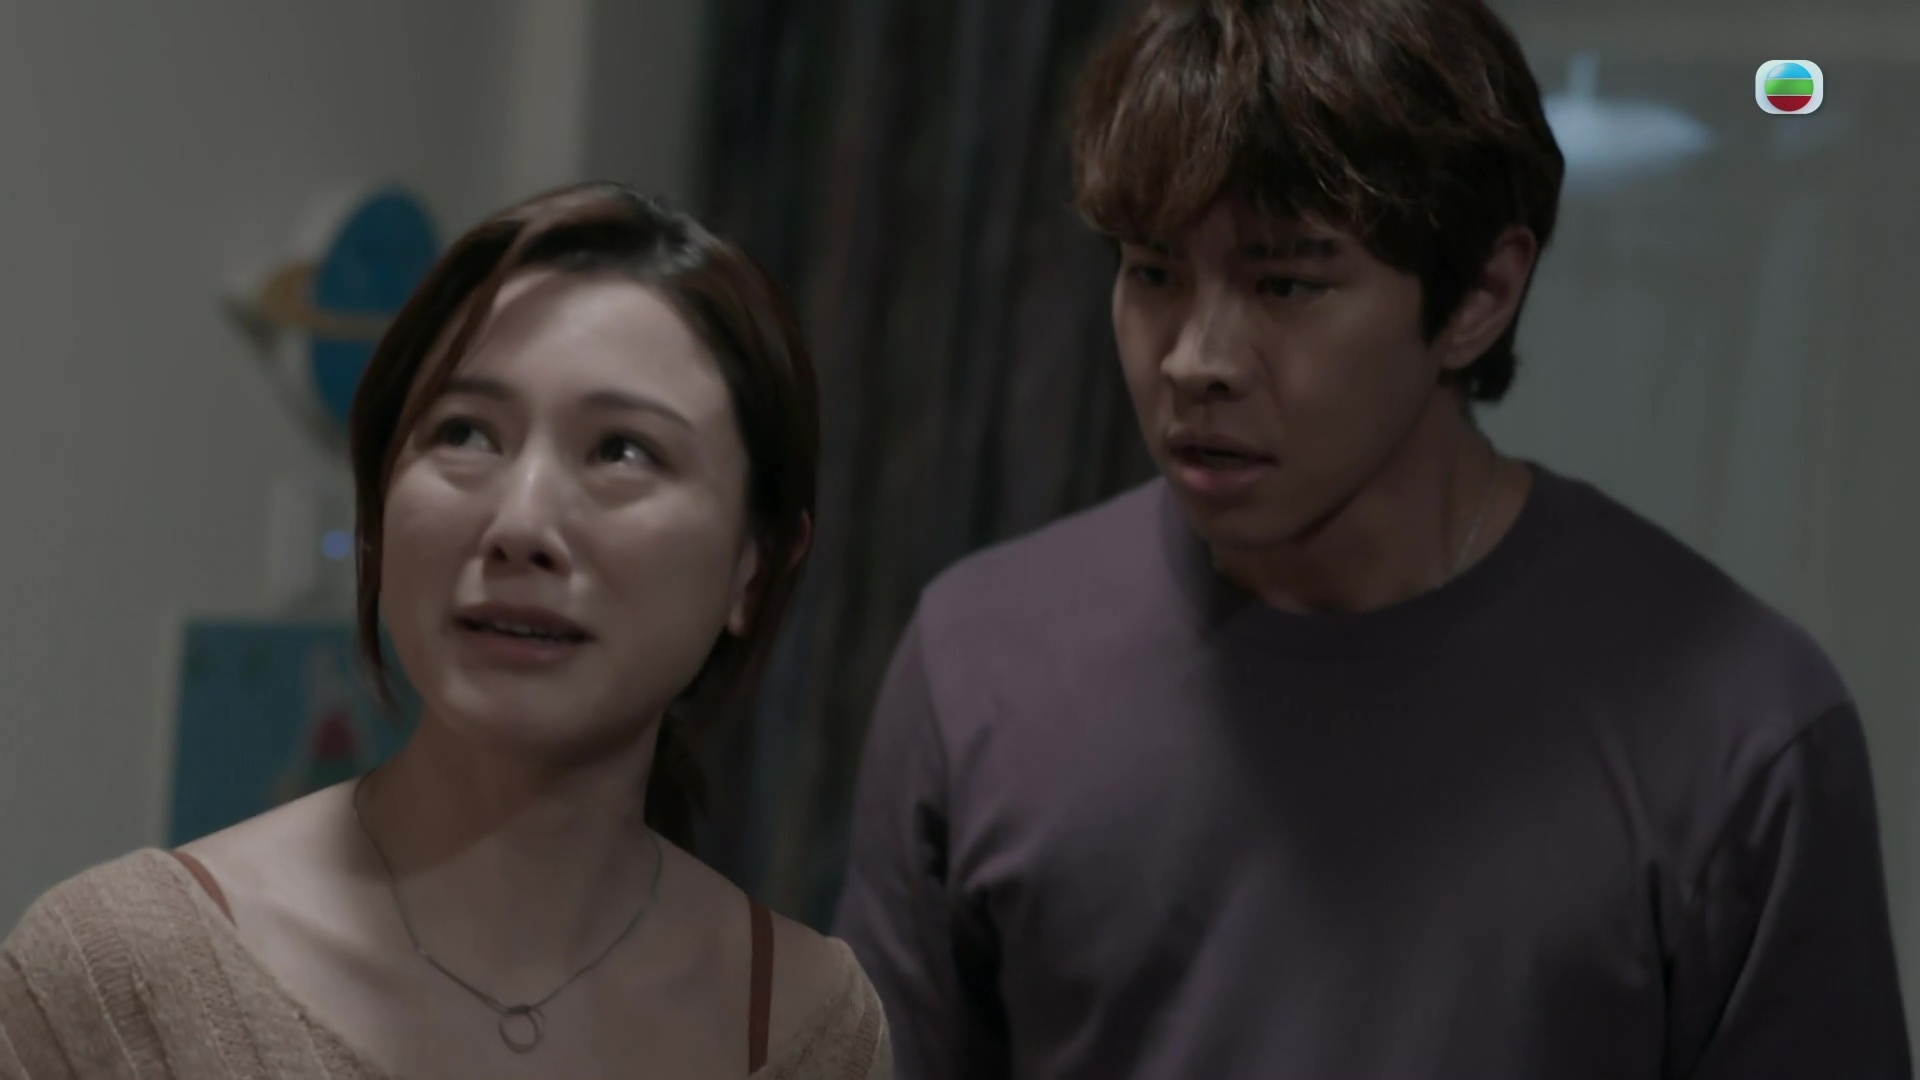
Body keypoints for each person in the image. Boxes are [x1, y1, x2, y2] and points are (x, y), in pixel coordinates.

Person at [832, 1, 1910, 1077]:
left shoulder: (1738, 724)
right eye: (1154, 272)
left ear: (1481, 296)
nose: (1195, 360)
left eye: (1286, 284)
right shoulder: (979, 663)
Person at [2, 183, 891, 1080]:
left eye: (623, 450)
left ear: (755, 566)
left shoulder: (808, 1022)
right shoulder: (119, 981)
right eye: (465, 432)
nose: (520, 523)